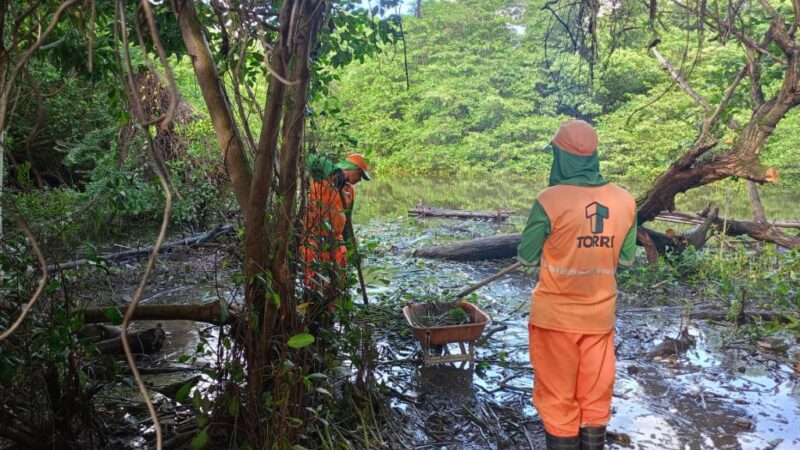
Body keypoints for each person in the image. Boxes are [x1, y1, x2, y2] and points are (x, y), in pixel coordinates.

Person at [517, 120, 637, 450]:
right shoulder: (625, 200)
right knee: (595, 399)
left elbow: (526, 256)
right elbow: (626, 259)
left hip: (555, 318)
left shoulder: (549, 200)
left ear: (561, 158)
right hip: (600, 319)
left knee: (558, 399)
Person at [302, 153, 370, 287]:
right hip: (314, 239)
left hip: (337, 241)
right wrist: (334, 171)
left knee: (339, 284)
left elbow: (347, 223)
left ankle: (336, 306)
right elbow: (309, 158)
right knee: (313, 283)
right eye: (360, 175)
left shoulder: (350, 190)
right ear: (352, 169)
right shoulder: (322, 177)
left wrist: (352, 250)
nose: (360, 180)